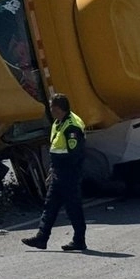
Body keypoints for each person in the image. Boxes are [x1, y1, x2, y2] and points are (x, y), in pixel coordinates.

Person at [21, 93, 88, 252]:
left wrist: (65, 175)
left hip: (68, 174)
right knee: (50, 205)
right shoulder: (59, 122)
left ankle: (79, 240)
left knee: (73, 207)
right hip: (59, 172)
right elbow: (57, 150)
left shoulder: (71, 126)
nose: (50, 110)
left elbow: (75, 154)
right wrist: (53, 171)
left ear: (58, 108)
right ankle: (42, 238)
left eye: (52, 107)